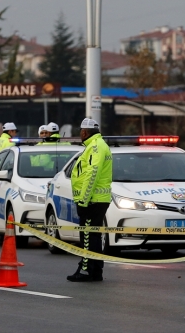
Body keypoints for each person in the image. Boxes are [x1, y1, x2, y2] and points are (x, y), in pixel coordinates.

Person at [67, 118, 112, 282]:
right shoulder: (96, 145)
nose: (80, 134)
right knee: (93, 236)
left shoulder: (95, 147)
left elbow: (92, 174)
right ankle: (95, 271)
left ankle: (87, 270)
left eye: (80, 131)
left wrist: (84, 200)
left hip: (92, 200)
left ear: (84, 132)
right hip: (96, 199)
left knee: (87, 236)